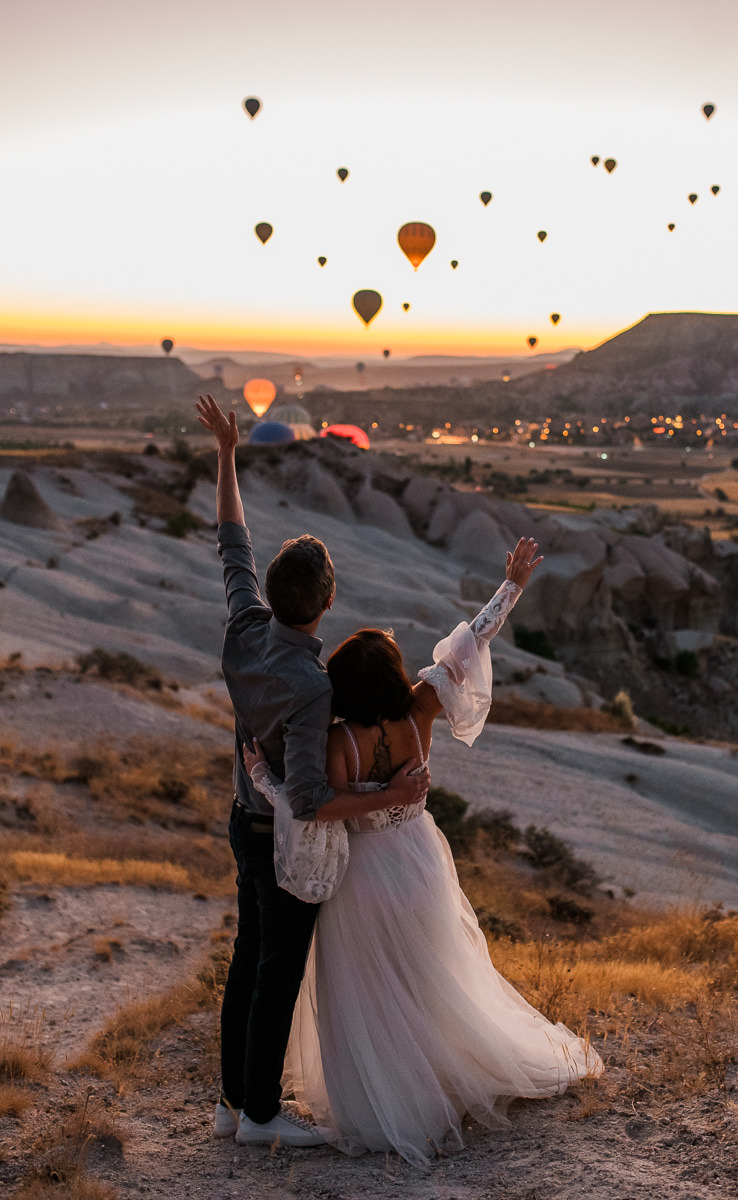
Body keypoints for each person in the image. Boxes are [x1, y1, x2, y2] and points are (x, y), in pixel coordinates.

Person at [246, 536, 603, 1168]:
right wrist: (512, 585)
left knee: (374, 996)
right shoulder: (421, 712)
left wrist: (264, 777)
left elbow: (311, 806)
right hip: (419, 864)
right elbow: (472, 643)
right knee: (433, 979)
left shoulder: (339, 741)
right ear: (392, 677)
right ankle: (447, 1076)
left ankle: (393, 1099)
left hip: (362, 880)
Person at [196, 395, 429, 1149]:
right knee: (278, 971)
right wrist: (392, 794)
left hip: (238, 819)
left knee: (244, 960)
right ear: (328, 603)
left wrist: (228, 452)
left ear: (272, 593)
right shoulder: (312, 685)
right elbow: (306, 798)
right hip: (276, 836)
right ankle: (261, 1117)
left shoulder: (243, 624)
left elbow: (232, 540)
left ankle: (233, 1103)